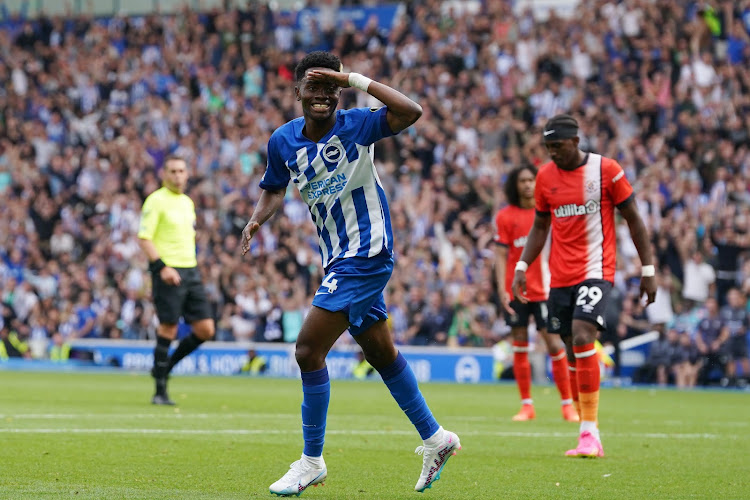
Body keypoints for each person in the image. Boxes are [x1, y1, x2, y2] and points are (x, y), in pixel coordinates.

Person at [240, 51, 460, 496]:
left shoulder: (357, 125)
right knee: (380, 353)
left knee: (307, 350)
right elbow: (273, 190)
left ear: (339, 91)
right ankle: (437, 439)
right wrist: (257, 219)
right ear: (297, 91)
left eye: (330, 88)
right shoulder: (283, 141)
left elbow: (410, 111)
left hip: (367, 252)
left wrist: (354, 78)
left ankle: (311, 461)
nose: (322, 95)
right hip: (337, 257)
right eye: (313, 87)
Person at [512, 114, 657, 458]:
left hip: (597, 268)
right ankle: (583, 426)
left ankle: (590, 433)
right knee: (569, 347)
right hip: (559, 276)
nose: (553, 154)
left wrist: (648, 268)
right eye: (548, 148)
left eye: (558, 147)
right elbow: (540, 226)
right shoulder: (546, 177)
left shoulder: (606, 171)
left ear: (576, 142)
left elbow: (634, 219)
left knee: (581, 335)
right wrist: (522, 265)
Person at [493, 165, 578, 422]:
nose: (528, 185)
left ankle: (567, 405)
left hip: (545, 289)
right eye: (523, 180)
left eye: (532, 180)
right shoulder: (505, 216)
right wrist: (501, 288)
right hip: (516, 290)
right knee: (519, 344)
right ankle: (527, 406)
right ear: (515, 185)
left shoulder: (548, 212)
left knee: (554, 343)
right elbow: (500, 254)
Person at [137, 156, 216, 405]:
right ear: (164, 174)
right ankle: (160, 391)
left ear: (187, 174)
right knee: (168, 328)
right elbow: (144, 238)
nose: (177, 175)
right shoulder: (155, 200)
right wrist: (161, 267)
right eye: (172, 171)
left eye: (181, 171)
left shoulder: (187, 202)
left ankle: (165, 367)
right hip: (167, 271)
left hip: (190, 270)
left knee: (206, 329)